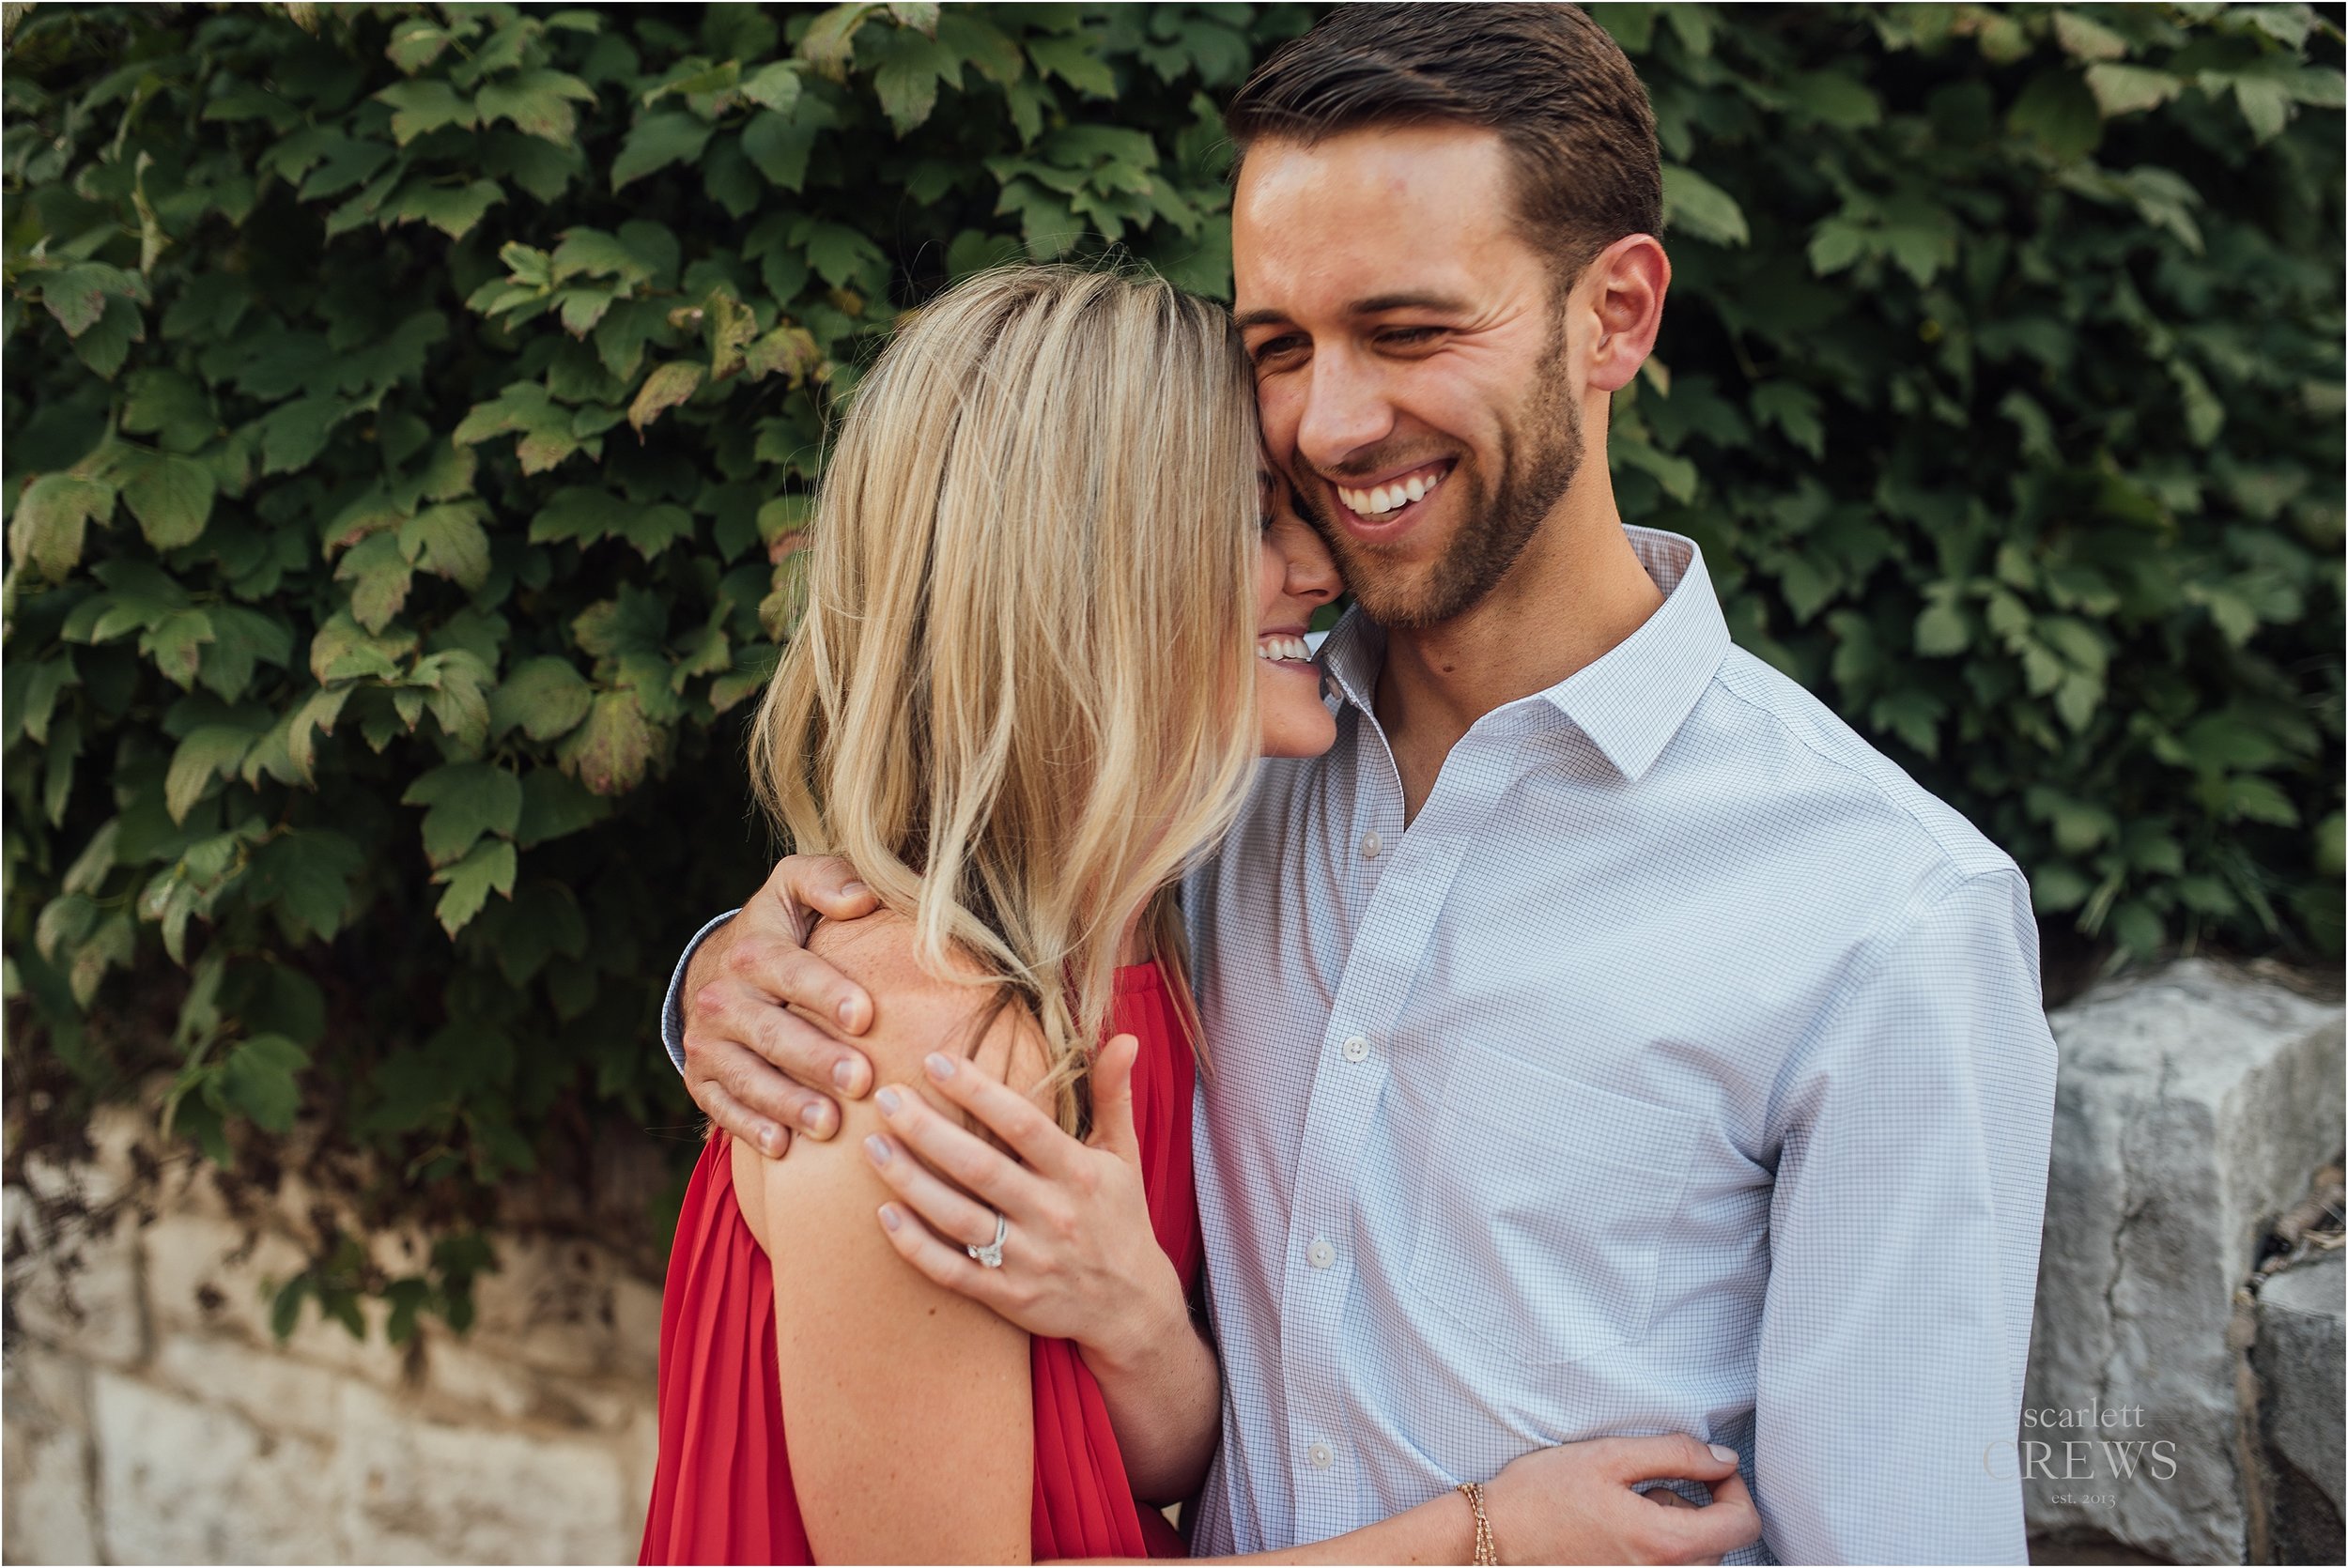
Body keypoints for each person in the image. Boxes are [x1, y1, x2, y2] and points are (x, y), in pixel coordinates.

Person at [667, 7, 2061, 1562]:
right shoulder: (1217, 785)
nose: (1329, 424)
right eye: (1280, 348)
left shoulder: (1886, 915)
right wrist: (735, 974)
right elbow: (964, 914)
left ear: (1615, 314)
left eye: (1407, 334)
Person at [638, 265, 1761, 1565]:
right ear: (1088, 573)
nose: (1313, 566)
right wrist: (1486, 1537)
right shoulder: (902, 1041)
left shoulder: (1149, 943)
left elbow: (1151, 1460)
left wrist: (1132, 1315)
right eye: (1250, 519)